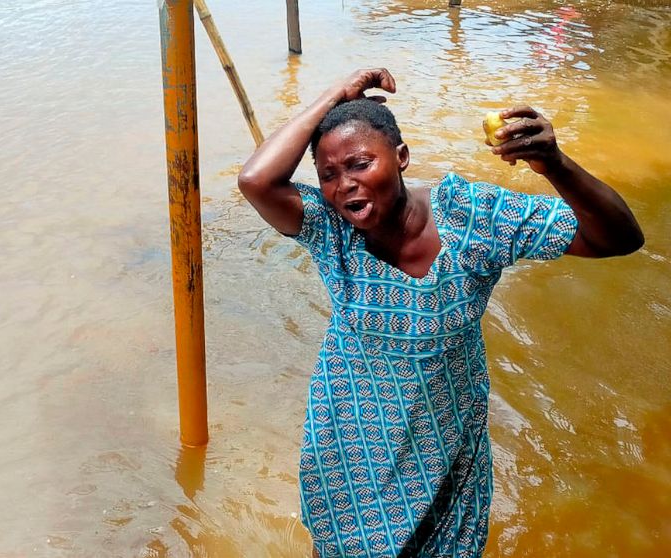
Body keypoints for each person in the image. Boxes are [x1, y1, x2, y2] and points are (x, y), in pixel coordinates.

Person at [237, 68, 643, 557]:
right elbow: (256, 179)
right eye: (328, 175)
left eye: (361, 164)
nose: (345, 185)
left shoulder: (472, 218)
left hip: (444, 440)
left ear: (402, 158)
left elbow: (619, 238)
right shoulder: (331, 230)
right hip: (352, 440)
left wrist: (554, 163)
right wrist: (333, 95)